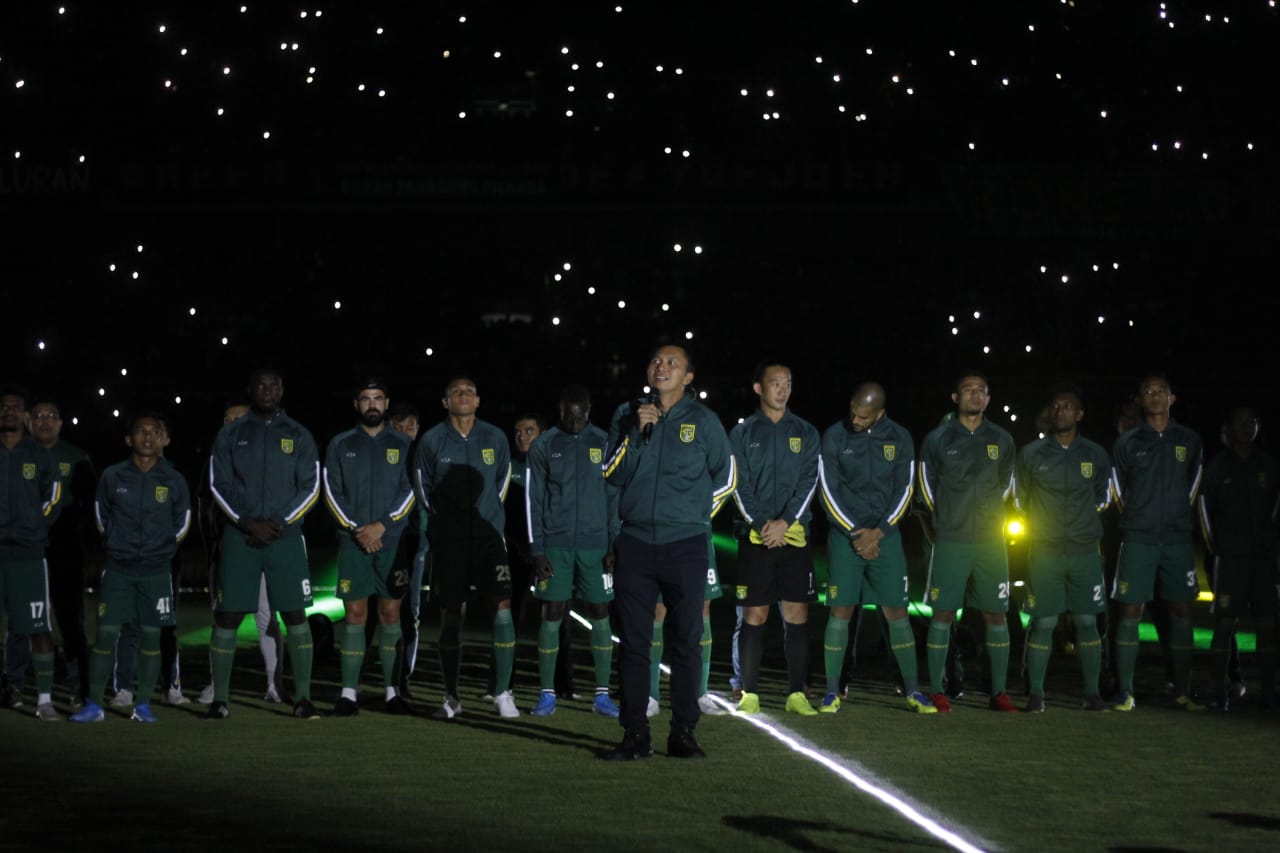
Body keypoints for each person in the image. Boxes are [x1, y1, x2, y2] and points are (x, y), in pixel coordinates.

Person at [602, 344, 736, 760]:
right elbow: (610, 472)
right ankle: (635, 735)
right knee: (634, 642)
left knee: (686, 641)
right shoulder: (628, 415)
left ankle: (682, 733)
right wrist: (633, 434)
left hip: (686, 545)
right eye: (657, 361)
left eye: (672, 363)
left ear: (689, 377)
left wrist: (695, 516)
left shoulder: (704, 421)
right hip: (637, 543)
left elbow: (726, 478)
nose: (662, 367)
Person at [206, 368, 321, 720]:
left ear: (282, 389)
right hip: (241, 538)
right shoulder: (231, 434)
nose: (267, 390)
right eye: (261, 385)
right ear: (251, 389)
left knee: (295, 614)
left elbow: (311, 487)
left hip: (284, 539)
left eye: (273, 385)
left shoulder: (298, 434)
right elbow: (217, 485)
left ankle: (302, 698)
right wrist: (246, 522)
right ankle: (220, 700)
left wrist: (279, 522)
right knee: (227, 616)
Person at [818, 382, 937, 714]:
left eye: (864, 417)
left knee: (896, 611)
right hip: (846, 537)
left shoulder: (899, 438)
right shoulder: (834, 436)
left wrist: (879, 532)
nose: (855, 421)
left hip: (886, 538)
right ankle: (831, 691)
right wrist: (858, 533)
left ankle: (913, 690)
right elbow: (828, 490)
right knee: (841, 610)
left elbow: (905, 490)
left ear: (880, 413)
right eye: (853, 413)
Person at [70, 414, 191, 723]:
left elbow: (183, 522)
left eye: (154, 431)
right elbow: (101, 517)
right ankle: (94, 704)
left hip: (156, 571)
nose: (147, 437)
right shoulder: (112, 476)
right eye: (141, 431)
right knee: (107, 633)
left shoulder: (174, 479)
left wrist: (160, 551)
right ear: (129, 439)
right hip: (119, 569)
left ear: (164, 438)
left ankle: (144, 705)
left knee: (152, 636)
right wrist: (118, 546)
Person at [413, 376, 517, 719]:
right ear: (445, 402)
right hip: (451, 542)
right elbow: (423, 489)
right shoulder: (431, 440)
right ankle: (451, 696)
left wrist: (486, 517)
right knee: (452, 613)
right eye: (456, 391)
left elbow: (501, 481)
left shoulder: (495, 437)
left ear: (478, 400)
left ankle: (503, 692)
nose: (463, 395)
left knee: (502, 606)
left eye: (470, 391)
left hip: (488, 539)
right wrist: (445, 524)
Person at [918, 372, 1017, 713]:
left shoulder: (1002, 439)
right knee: (943, 613)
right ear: (955, 398)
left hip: (991, 541)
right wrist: (945, 519)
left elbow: (1006, 484)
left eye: (981, 391)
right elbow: (926, 486)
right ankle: (936, 689)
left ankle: (998, 692)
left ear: (988, 399)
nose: (975, 395)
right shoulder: (938, 438)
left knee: (996, 615)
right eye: (968, 390)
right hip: (952, 539)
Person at [1013, 386, 1113, 711]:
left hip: (1084, 551)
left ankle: (1092, 693)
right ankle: (1036, 693)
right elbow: (1019, 497)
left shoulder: (1095, 454)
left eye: (1068, 406)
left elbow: (1104, 496)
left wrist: (1081, 523)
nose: (1061, 411)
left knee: (1086, 622)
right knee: (1043, 622)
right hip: (1045, 551)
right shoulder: (1032, 454)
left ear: (1079, 414)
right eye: (1056, 406)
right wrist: (1043, 524)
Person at [729, 361, 820, 715]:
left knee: (796, 614)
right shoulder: (743, 432)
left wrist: (786, 522)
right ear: (758, 388)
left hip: (794, 537)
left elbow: (810, 480)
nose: (782, 389)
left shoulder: (806, 431)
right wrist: (764, 523)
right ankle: (749, 692)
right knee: (755, 614)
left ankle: (796, 693)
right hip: (757, 537)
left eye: (788, 383)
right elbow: (738, 484)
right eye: (775, 383)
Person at [1109, 374, 1205, 711]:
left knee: (1181, 610)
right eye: (1147, 391)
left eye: (1161, 391)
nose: (1154, 396)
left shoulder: (1189, 440)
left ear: (1172, 398)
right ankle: (1125, 691)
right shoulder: (1128, 442)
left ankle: (1182, 690)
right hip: (1138, 538)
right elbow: (1117, 489)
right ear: (1140, 399)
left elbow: (1194, 486)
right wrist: (1137, 517)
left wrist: (1177, 516)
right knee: (1130, 610)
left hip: (1177, 539)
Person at [525, 385, 620, 717]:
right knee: (552, 612)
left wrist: (613, 544)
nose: (575, 423)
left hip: (595, 547)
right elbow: (533, 501)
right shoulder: (544, 445)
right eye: (569, 416)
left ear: (589, 410)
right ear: (561, 409)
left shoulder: (605, 442)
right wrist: (537, 550)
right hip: (556, 545)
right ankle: (547, 693)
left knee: (600, 612)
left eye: (580, 417)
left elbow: (614, 498)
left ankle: (602, 695)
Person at [324, 379, 416, 716]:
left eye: (378, 398)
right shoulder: (340, 444)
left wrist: (383, 525)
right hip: (353, 543)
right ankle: (349, 692)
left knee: (390, 614)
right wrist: (356, 529)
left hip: (392, 543)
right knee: (355, 615)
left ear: (387, 402)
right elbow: (331, 492)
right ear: (356, 405)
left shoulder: (403, 445)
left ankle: (392, 692)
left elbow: (411, 492)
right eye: (365, 399)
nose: (372, 404)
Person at [3, 397, 94, 711]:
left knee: (71, 623)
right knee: (20, 621)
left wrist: (52, 527)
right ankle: (13, 684)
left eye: (51, 415)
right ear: (29, 420)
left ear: (61, 422)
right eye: (39, 415)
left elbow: (86, 505)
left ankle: (79, 687)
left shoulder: (77, 457)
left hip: (64, 552)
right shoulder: (19, 452)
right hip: (25, 550)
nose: (44, 421)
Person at [196, 400, 286, 706]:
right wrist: (211, 549)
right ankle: (216, 686)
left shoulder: (265, 459)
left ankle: (275, 683)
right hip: (229, 549)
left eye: (238, 419)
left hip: (261, 547)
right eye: (227, 418)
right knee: (223, 619)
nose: (232, 424)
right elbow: (204, 507)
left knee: (265, 617)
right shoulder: (217, 459)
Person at [1198, 406, 1278, 709]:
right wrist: (1215, 548)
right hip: (1229, 559)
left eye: (1252, 422)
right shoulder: (1218, 467)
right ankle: (1218, 691)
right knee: (1224, 625)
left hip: (1263, 562)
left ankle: (1268, 692)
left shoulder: (1269, 467)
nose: (1247, 427)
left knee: (1267, 625)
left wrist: (1271, 547)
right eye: (1241, 422)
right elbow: (1204, 511)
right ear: (1229, 428)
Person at [0, 386, 63, 720]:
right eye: (4, 407)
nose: (8, 412)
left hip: (28, 552)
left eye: (14, 408)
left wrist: (34, 526)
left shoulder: (38, 455)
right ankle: (10, 686)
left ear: (24, 415)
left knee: (38, 626)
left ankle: (43, 700)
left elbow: (53, 494)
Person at [388, 403, 429, 698]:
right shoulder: (381, 457)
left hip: (416, 540)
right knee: (376, 610)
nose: (404, 434)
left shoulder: (425, 457)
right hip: (382, 539)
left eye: (410, 428)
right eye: (398, 428)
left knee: (409, 610)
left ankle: (402, 676)